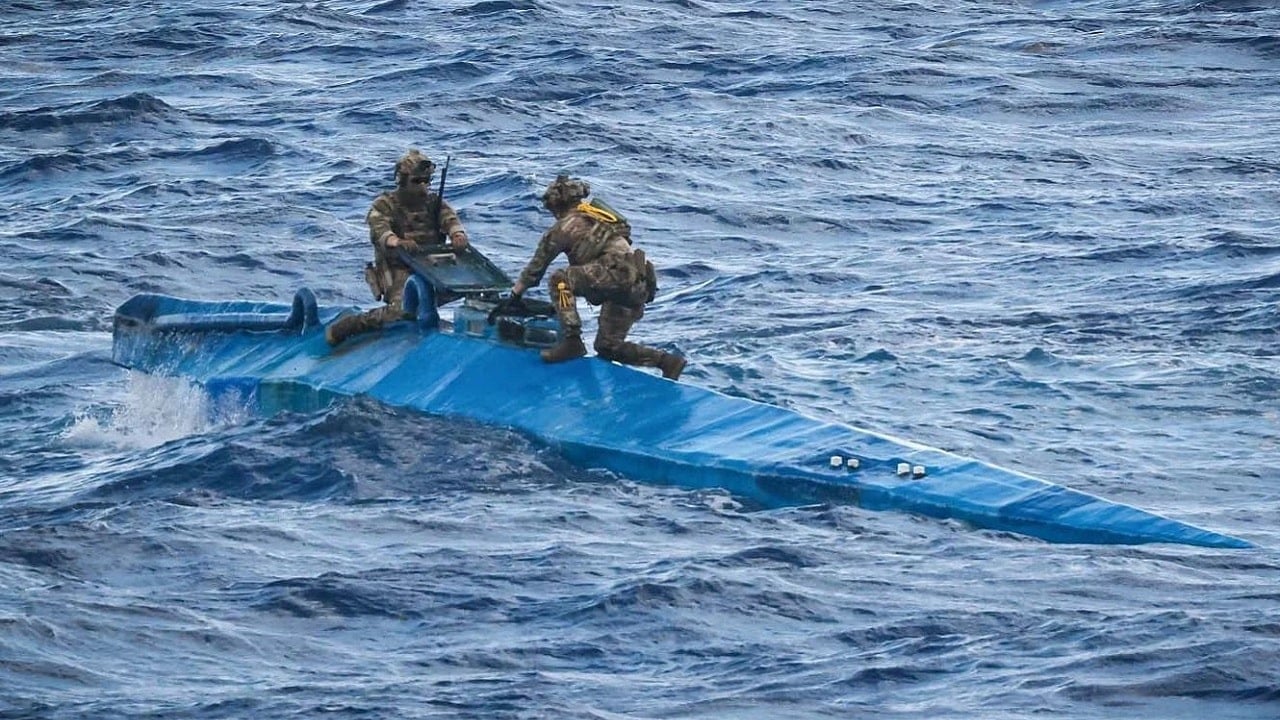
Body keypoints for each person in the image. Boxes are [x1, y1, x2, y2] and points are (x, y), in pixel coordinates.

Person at [508, 175, 686, 380]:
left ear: (556, 205)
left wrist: (514, 295)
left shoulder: (564, 226)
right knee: (608, 347)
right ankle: (667, 362)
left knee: (559, 279)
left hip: (614, 276)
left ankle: (572, 340)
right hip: (637, 283)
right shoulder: (601, 217)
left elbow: (534, 270)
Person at [326, 149, 470, 346]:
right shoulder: (384, 205)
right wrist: (398, 242)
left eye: (427, 181)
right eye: (417, 181)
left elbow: (449, 218)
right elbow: (380, 231)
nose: (423, 187)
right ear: (402, 181)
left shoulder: (433, 203)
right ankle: (349, 326)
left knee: (476, 289)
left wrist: (457, 234)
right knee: (401, 311)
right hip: (398, 268)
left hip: (432, 265)